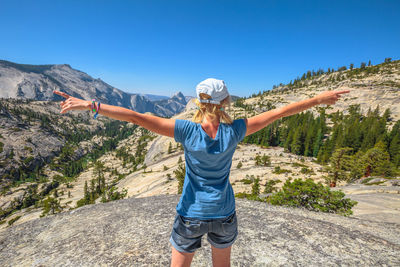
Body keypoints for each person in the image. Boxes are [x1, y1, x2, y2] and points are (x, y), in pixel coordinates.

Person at [54, 79, 349, 267]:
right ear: (224, 103)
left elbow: (136, 116)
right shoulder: (236, 130)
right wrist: (318, 99)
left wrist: (91, 105)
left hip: (191, 213)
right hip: (224, 213)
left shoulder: (186, 130)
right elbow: (280, 113)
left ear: (198, 102)